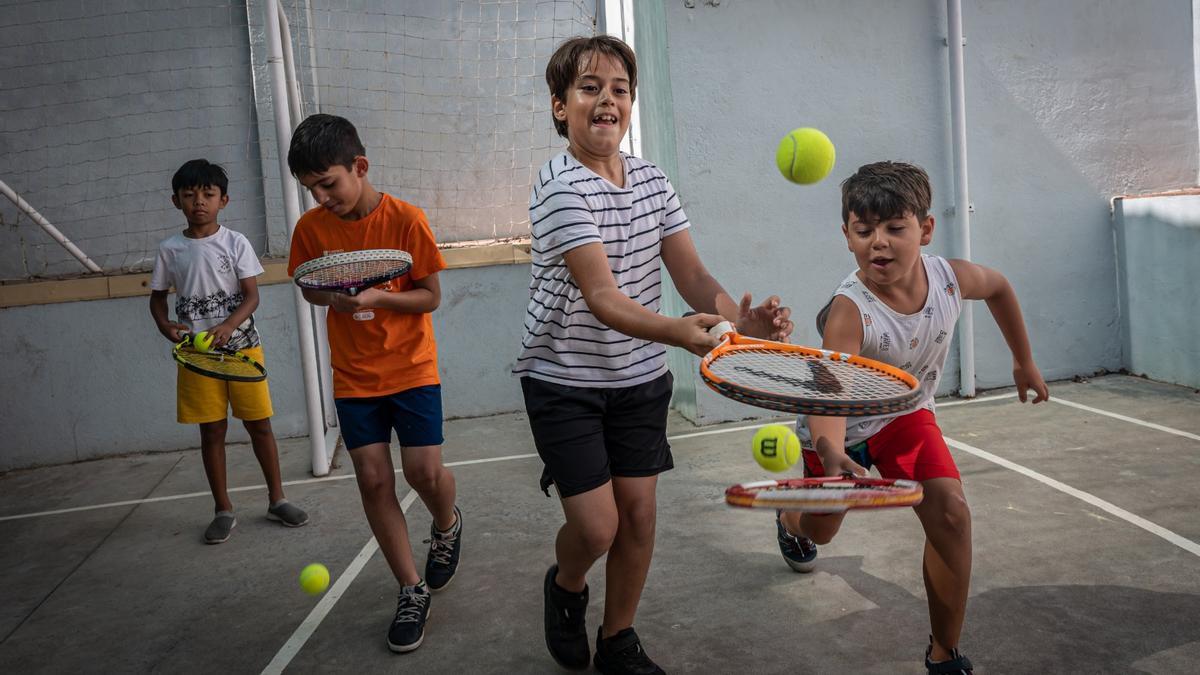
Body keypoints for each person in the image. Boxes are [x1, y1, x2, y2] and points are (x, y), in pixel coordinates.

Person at [516, 35, 793, 675]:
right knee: (596, 528)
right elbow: (603, 297)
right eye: (589, 88)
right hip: (565, 379)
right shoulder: (560, 188)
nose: (606, 100)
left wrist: (737, 321)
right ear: (560, 107)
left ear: (632, 104)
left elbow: (691, 274)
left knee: (637, 516)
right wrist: (679, 334)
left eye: (619, 89)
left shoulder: (652, 181)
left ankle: (619, 640)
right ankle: (565, 586)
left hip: (638, 378)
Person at [774, 161, 1049, 674]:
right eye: (864, 230)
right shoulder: (849, 312)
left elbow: (1000, 288)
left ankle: (944, 654)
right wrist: (833, 453)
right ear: (847, 237)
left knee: (951, 513)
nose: (879, 242)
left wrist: (1023, 359)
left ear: (924, 229)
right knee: (823, 530)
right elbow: (830, 394)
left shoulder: (947, 279)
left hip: (903, 414)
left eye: (894, 228)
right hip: (837, 428)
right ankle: (791, 518)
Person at [286, 114, 460, 655]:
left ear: (359, 167)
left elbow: (430, 296)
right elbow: (309, 287)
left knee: (424, 473)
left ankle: (447, 523)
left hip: (411, 370)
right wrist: (332, 298)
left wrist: (379, 298)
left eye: (328, 182)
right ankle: (411, 589)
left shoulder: (407, 220)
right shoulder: (311, 230)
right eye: (310, 187)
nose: (320, 195)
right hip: (354, 377)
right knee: (373, 479)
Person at [150, 159, 309, 545]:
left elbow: (252, 297)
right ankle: (223, 509)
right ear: (176, 201)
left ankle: (277, 499)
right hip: (197, 359)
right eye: (189, 195)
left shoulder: (235, 242)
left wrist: (227, 326)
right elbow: (157, 300)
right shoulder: (170, 250)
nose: (198, 202)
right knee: (212, 432)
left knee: (260, 425)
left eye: (207, 195)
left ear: (224, 200)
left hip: (243, 351)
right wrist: (165, 325)